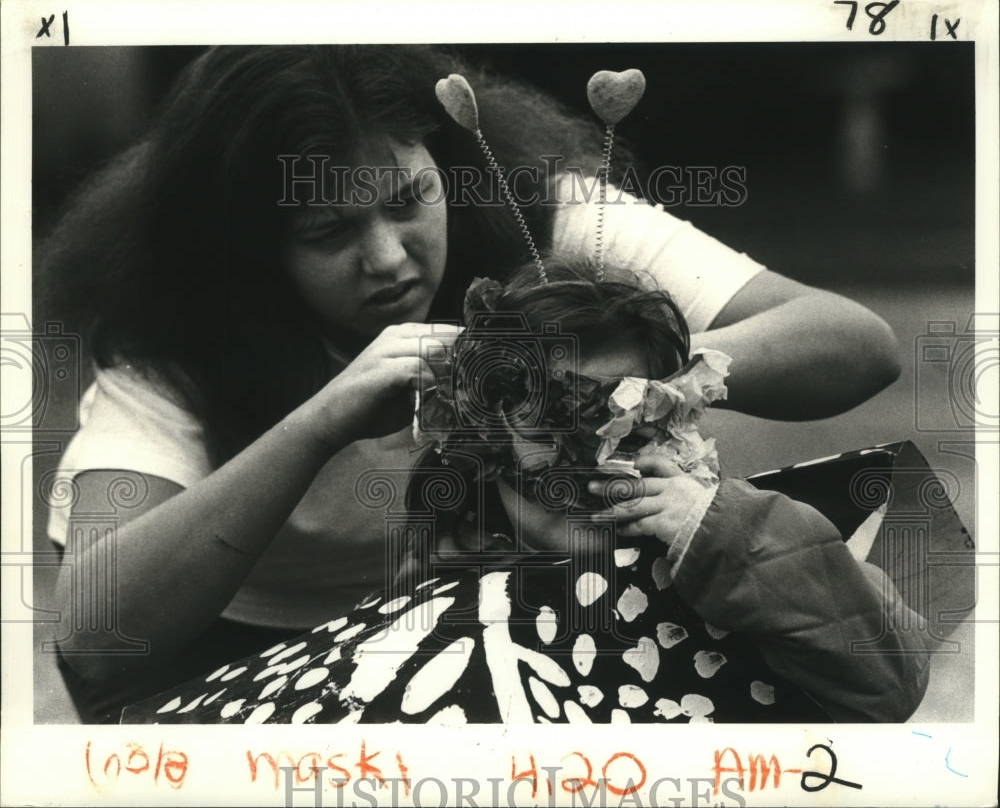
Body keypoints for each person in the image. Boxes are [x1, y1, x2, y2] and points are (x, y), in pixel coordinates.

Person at [40, 45, 901, 717]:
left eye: (410, 199)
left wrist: (643, 388)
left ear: (448, 162)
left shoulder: (546, 218)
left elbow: (853, 343)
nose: (386, 257)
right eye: (327, 228)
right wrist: (318, 424)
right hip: (261, 668)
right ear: (246, 247)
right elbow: (97, 634)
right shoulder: (177, 338)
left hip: (528, 617)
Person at [121, 260, 927, 725]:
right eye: (551, 423)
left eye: (624, 414)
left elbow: (891, 675)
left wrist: (720, 529)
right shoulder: (444, 594)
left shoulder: (747, 543)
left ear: (675, 414)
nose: (587, 461)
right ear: (486, 447)